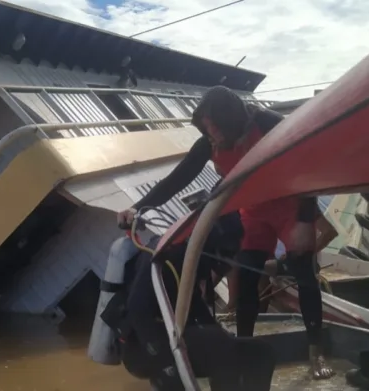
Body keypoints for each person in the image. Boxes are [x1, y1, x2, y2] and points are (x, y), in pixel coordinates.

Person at [116, 85, 333, 380]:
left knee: (304, 274)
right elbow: (177, 178)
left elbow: (307, 166)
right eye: (206, 129)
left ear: (231, 119)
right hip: (253, 211)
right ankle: (243, 349)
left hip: (289, 206)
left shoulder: (269, 123)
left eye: (215, 127)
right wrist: (137, 207)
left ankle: (315, 351)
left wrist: (305, 222)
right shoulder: (209, 143)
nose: (212, 135)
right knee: (246, 280)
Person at [113, 213, 276, 391]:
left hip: (174, 337)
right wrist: (165, 362)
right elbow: (137, 308)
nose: (228, 260)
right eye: (226, 252)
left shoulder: (193, 258)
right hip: (142, 348)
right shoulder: (169, 255)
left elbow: (194, 302)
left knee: (262, 352)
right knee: (221, 348)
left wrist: (219, 332)